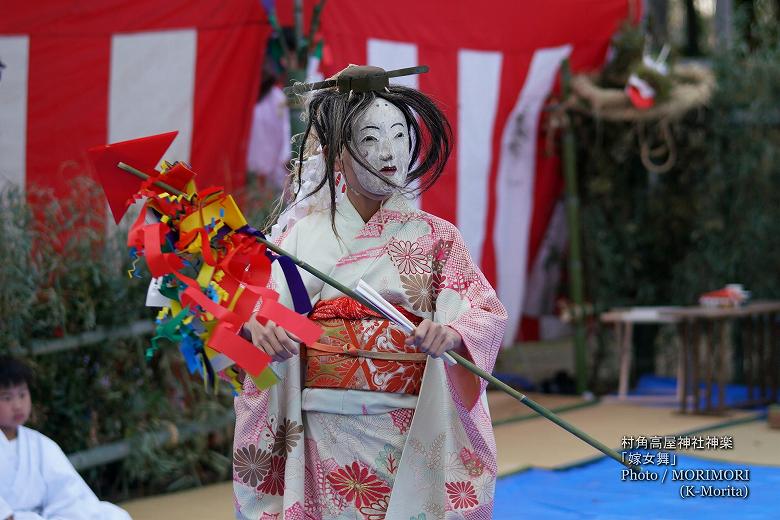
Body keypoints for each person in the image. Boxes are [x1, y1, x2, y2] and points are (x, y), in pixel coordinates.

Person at [235, 65, 507, 519]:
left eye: (400, 136)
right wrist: (257, 328)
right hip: (322, 432)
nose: (389, 153)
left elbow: (484, 312)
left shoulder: (436, 237)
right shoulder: (300, 237)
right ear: (337, 155)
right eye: (369, 139)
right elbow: (261, 319)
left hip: (408, 428)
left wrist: (453, 334)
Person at [0, 356, 131, 520]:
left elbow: (69, 493)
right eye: (7, 398)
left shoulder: (40, 444)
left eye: (22, 395)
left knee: (113, 515)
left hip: (42, 516)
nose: (18, 405)